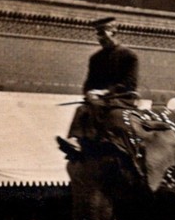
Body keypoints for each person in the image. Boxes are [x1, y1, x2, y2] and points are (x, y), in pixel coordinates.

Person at [58, 16, 141, 161]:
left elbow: (129, 83)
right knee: (82, 109)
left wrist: (104, 92)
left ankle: (89, 141)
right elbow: (89, 83)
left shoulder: (129, 56)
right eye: (98, 34)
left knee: (95, 107)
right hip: (99, 99)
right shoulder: (95, 58)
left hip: (122, 98)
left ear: (113, 32)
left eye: (103, 33)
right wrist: (89, 93)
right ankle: (74, 140)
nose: (100, 38)